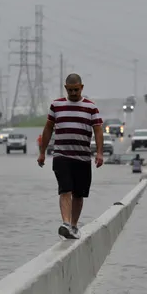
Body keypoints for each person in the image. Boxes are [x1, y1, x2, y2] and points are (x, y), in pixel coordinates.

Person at [37, 73, 104, 240]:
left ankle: (74, 225)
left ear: (81, 87)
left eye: (76, 90)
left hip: (82, 157)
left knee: (79, 194)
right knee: (65, 189)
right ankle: (66, 223)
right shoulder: (56, 105)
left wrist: (100, 153)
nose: (73, 93)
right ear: (65, 88)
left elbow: (98, 130)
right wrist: (42, 152)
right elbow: (48, 128)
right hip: (62, 155)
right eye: (70, 90)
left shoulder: (91, 107)